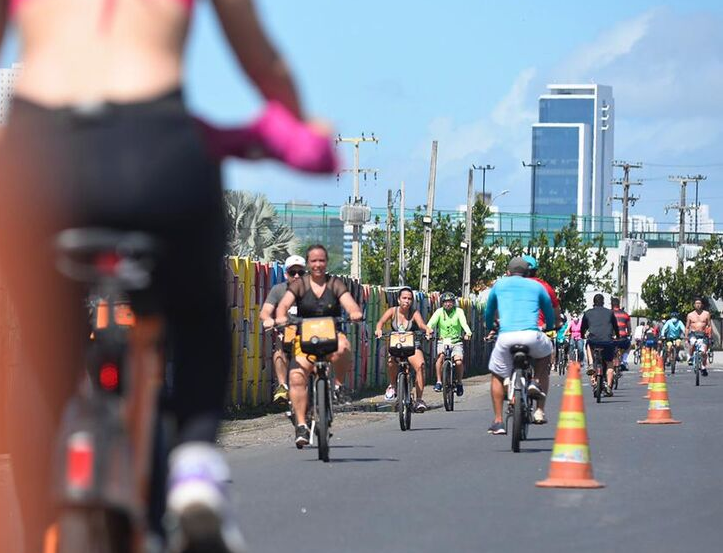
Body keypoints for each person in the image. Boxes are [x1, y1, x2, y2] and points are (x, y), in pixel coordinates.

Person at [0, 2, 333, 551]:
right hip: (155, 147)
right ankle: (195, 464)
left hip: (41, 155)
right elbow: (260, 57)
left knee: (43, 348)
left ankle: (37, 530)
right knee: (199, 315)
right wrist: (300, 122)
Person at [275, 244, 363, 447]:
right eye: (313, 261)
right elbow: (283, 306)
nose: (318, 265)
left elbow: (350, 304)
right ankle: (301, 425)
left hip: (332, 334)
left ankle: (339, 386)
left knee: (343, 348)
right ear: (308, 263)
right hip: (305, 338)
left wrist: (354, 313)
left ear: (326, 262)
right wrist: (280, 318)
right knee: (296, 377)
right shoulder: (299, 285)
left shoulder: (335, 283)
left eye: (321, 260)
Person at [484, 257, 554, 434]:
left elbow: (489, 310)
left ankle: (499, 421)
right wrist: (551, 326)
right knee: (546, 353)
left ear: (508, 272)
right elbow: (549, 311)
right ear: (527, 272)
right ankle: (536, 381)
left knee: (497, 375)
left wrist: (489, 324)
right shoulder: (537, 286)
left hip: (506, 337)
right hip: (532, 335)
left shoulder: (499, 285)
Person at [374, 286, 433, 412]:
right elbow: (380, 322)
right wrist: (378, 330)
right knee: (391, 361)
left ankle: (419, 400)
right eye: (404, 298)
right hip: (396, 344)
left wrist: (427, 330)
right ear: (399, 300)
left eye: (409, 299)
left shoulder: (414, 313)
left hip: (412, 344)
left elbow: (422, 325)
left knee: (421, 366)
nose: (407, 301)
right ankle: (393, 385)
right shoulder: (392, 311)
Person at [260, 255, 307, 404]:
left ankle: (324, 385)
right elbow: (265, 311)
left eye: (301, 272)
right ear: (286, 274)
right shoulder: (278, 290)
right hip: (288, 333)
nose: (297, 276)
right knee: (279, 347)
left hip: (310, 332)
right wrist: (268, 319)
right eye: (293, 272)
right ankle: (282, 386)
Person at [522, 255, 560, 414]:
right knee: (544, 363)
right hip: (537, 331)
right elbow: (556, 310)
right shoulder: (544, 286)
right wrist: (556, 324)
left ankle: (511, 393)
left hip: (513, 331)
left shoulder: (510, 285)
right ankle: (539, 410)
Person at [428, 292, 472, 396]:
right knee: (440, 357)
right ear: (442, 303)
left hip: (456, 341)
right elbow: (430, 324)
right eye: (445, 302)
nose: (448, 304)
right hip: (443, 340)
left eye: (450, 302)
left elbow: (464, 323)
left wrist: (468, 333)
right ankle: (439, 381)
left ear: (454, 303)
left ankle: (459, 382)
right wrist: (428, 332)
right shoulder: (439, 312)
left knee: (458, 362)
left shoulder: (459, 311)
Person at [581, 294, 620, 397]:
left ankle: (590, 364)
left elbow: (583, 327)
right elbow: (615, 326)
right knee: (609, 363)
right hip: (607, 341)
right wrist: (618, 336)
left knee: (588, 345)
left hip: (593, 341)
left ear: (593, 302)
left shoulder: (588, 313)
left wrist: (582, 335)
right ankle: (609, 386)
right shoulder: (610, 313)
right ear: (603, 302)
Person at [686, 297, 712, 376]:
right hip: (693, 334)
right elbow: (687, 327)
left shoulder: (706, 314)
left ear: (702, 305)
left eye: (699, 303)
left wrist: (710, 337)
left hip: (703, 335)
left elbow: (709, 326)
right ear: (694, 305)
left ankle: (703, 367)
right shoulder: (690, 315)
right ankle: (690, 357)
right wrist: (686, 337)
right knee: (693, 343)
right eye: (696, 303)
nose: (698, 305)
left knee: (704, 352)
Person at [610, 297, 631, 371]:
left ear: (612, 305)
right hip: (622, 338)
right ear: (619, 305)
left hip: (612, 339)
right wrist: (628, 334)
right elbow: (629, 329)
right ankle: (624, 360)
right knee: (628, 346)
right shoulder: (625, 314)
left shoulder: (609, 313)